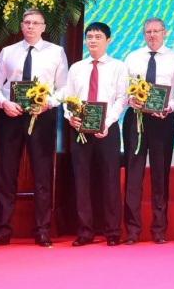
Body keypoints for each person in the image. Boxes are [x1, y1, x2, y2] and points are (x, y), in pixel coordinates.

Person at [0, 8, 68, 248]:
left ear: (43, 27)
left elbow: (64, 88)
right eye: (27, 22)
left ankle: (42, 230)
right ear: (21, 26)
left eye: (36, 23)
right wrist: (4, 102)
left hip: (42, 118)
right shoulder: (8, 52)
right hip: (11, 116)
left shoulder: (56, 52)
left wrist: (48, 103)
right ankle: (1, 231)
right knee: (5, 174)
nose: (30, 26)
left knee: (42, 175)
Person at [62, 22, 127, 246]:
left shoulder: (118, 67)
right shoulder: (76, 68)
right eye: (89, 36)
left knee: (110, 179)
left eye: (98, 37)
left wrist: (106, 122)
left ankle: (112, 231)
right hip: (80, 129)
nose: (92, 40)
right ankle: (85, 231)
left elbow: (122, 99)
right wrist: (70, 117)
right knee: (82, 180)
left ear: (108, 41)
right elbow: (68, 97)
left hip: (108, 129)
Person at [122, 17, 174, 244]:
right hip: (135, 119)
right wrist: (130, 99)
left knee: (160, 174)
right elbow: (123, 89)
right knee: (133, 174)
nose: (152, 35)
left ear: (164, 33)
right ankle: (132, 230)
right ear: (143, 34)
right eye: (148, 32)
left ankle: (159, 229)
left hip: (163, 120)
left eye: (156, 31)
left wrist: (170, 106)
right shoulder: (132, 57)